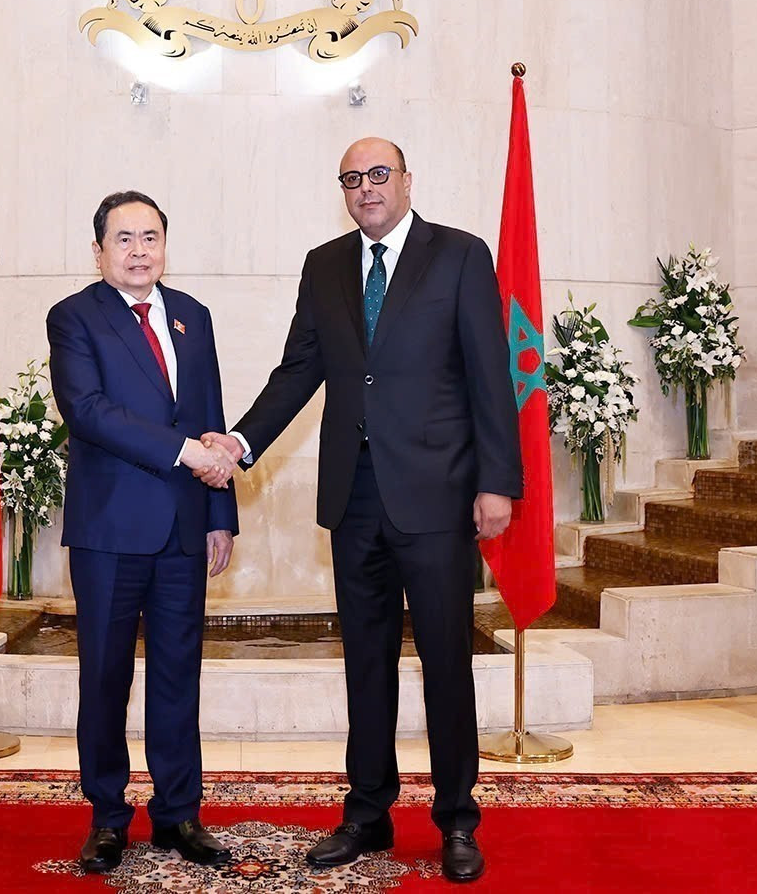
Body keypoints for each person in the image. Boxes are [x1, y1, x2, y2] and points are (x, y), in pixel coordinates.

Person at [207, 138, 522, 884]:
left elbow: (489, 372)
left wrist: (497, 481)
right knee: (366, 663)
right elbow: (300, 371)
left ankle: (456, 819)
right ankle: (367, 811)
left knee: (447, 661)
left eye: (379, 174)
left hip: (440, 496)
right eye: (352, 179)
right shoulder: (324, 265)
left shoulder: (460, 255)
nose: (366, 188)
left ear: (408, 180)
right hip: (355, 499)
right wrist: (243, 440)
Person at [46, 191, 240, 874]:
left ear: (165, 244)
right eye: (123, 238)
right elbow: (90, 412)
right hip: (108, 531)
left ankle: (178, 813)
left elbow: (212, 413)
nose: (138, 250)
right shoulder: (74, 317)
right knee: (103, 675)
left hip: (186, 528)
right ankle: (106, 816)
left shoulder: (194, 316)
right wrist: (187, 452)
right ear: (98, 249)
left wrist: (221, 515)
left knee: (178, 673)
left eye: (150, 237)